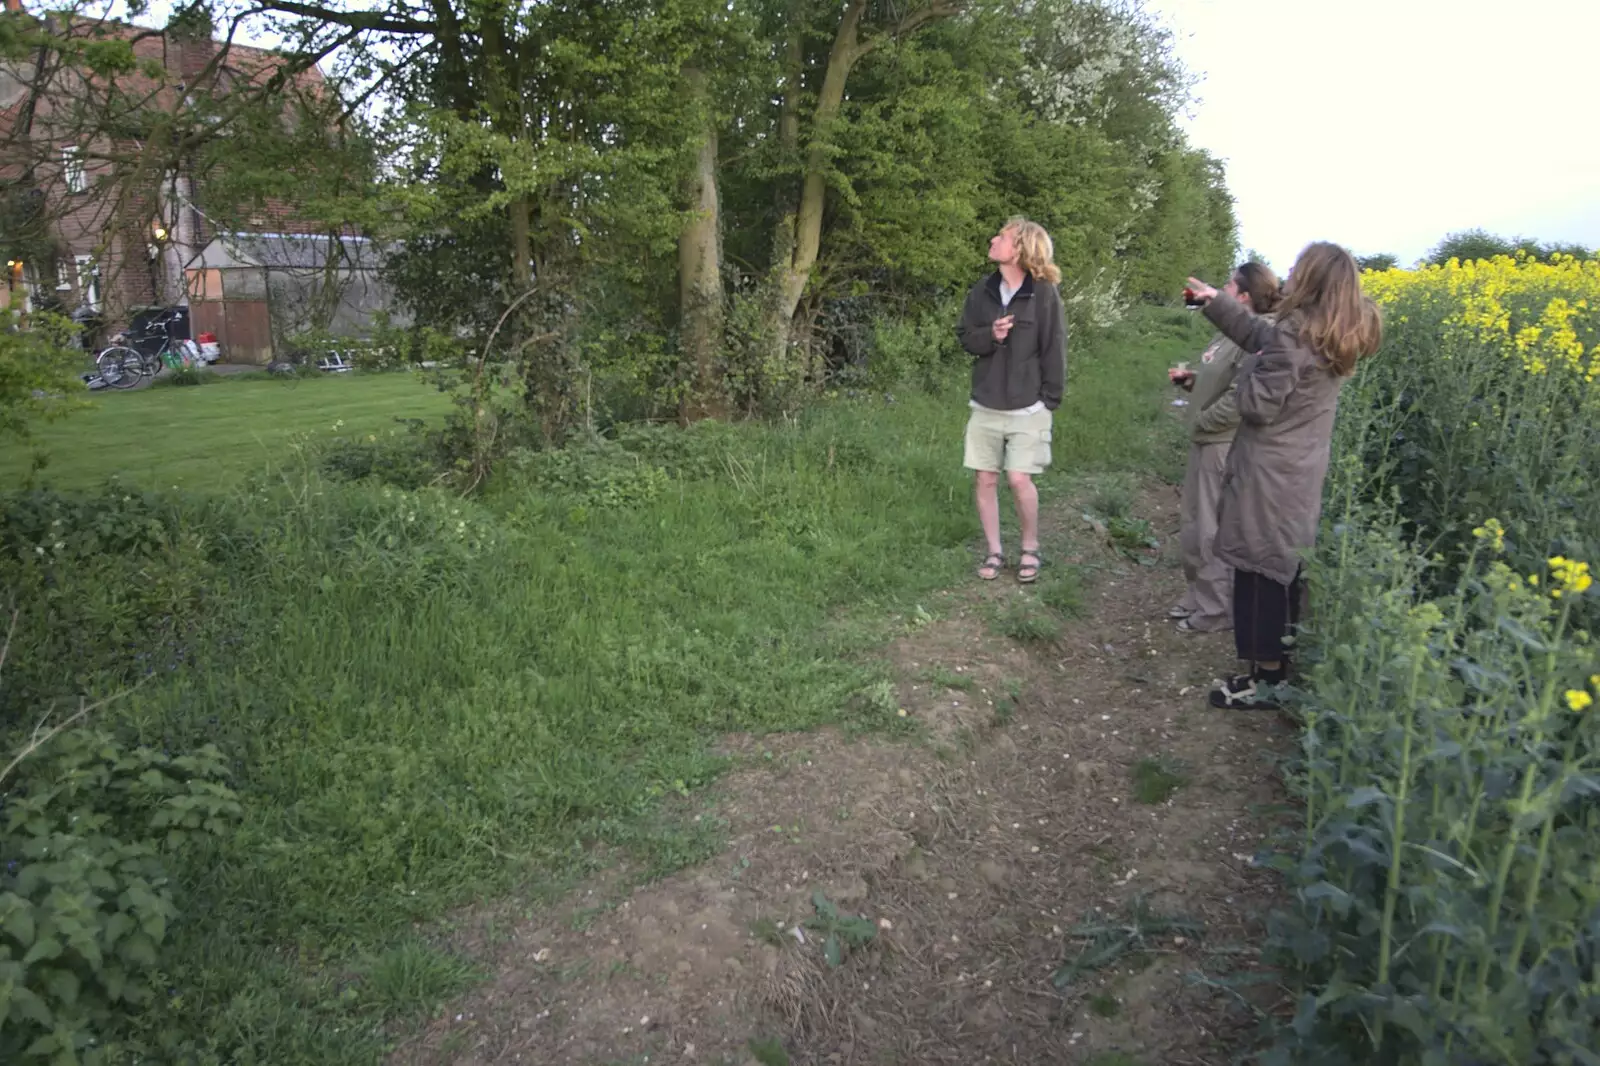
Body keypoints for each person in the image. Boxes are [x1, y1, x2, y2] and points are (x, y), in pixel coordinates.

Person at [1183, 243, 1382, 709]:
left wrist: (1245, 373)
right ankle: (1277, 668)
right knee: (1280, 566)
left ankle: (1264, 679)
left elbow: (1256, 404)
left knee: (1259, 571)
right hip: (1298, 469)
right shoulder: (1326, 330)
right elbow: (1258, 335)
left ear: (1311, 279)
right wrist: (1217, 301)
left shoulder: (1295, 336)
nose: (1288, 274)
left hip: (1269, 474)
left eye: (1297, 268)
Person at [1168, 262, 1283, 634]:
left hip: (1220, 443)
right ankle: (1197, 593)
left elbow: (1240, 397)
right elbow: (1221, 378)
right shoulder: (1228, 334)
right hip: (1205, 439)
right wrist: (1192, 382)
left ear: (1245, 295)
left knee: (1209, 529)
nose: (1223, 288)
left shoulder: (1257, 336)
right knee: (1192, 523)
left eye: (1230, 285)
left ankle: (1215, 609)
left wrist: (1203, 420)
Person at [956, 218, 1068, 584]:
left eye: (1001, 237)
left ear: (1019, 249)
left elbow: (1055, 347)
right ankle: (994, 552)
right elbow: (966, 339)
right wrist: (991, 334)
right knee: (985, 479)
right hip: (986, 403)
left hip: (1028, 407)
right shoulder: (982, 292)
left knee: (1019, 479)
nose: (993, 239)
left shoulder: (1044, 294)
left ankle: (1030, 548)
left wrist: (1049, 399)